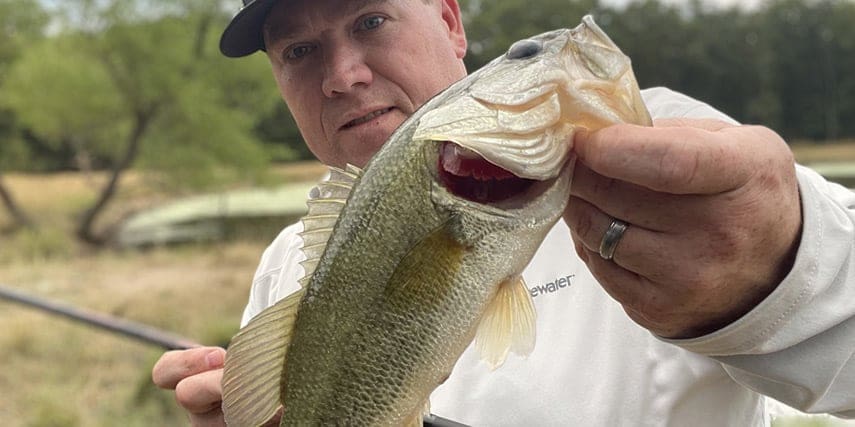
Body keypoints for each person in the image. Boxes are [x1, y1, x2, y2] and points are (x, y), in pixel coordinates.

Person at [152, 0, 855, 425]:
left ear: (451, 22)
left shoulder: (661, 147)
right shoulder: (288, 259)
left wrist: (782, 264)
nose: (343, 75)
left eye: (370, 19)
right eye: (299, 50)